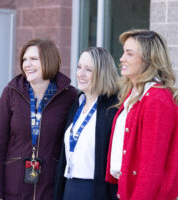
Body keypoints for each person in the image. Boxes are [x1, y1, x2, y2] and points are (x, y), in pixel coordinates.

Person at [0, 38, 77, 200]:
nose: (27, 64)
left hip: (51, 189)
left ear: (49, 60)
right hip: (14, 190)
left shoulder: (69, 95)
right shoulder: (11, 92)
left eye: (33, 59)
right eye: (24, 60)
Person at [105, 29, 178, 200]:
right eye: (124, 52)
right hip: (126, 190)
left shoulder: (157, 99)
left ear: (148, 59)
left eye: (129, 54)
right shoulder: (134, 94)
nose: (122, 58)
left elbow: (152, 167)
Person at [54, 47, 119, 200]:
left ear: (102, 73)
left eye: (88, 69)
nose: (80, 74)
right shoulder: (77, 104)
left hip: (94, 190)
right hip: (69, 187)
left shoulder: (112, 109)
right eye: (79, 67)